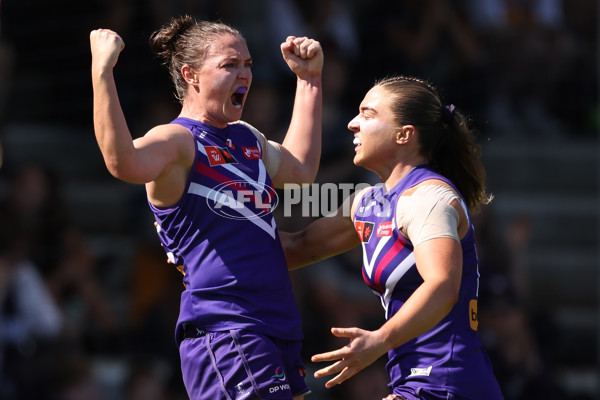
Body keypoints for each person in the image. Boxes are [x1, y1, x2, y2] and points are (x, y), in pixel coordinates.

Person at [89, 15, 323, 400]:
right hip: (227, 328)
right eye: (230, 65)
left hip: (276, 326)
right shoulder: (178, 140)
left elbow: (300, 170)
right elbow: (122, 161)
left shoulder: (247, 137)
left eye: (247, 64)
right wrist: (103, 71)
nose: (244, 74)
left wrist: (309, 80)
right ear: (191, 75)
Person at [282, 76, 504, 400]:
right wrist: (209, 236)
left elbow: (443, 285)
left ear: (404, 134)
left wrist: (381, 339)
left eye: (368, 114)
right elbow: (297, 247)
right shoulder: (368, 202)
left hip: (449, 385)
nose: (352, 123)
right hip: (415, 385)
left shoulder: (429, 198)